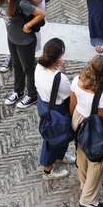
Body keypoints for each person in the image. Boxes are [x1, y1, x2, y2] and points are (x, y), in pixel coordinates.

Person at [0, 0, 45, 108]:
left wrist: (28, 25)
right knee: (16, 66)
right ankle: (18, 91)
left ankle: (32, 94)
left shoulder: (21, 3)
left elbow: (41, 14)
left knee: (28, 69)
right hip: (12, 38)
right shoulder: (3, 0)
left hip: (25, 42)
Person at [70, 55, 103, 207]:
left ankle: (83, 182)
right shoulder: (102, 93)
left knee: (81, 151)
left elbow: (72, 104)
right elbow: (101, 116)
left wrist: (73, 124)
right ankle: (88, 198)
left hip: (77, 119)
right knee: (97, 161)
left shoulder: (77, 80)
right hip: (92, 125)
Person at [34, 38, 74, 179]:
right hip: (56, 108)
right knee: (52, 138)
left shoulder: (39, 66)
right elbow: (68, 93)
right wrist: (62, 70)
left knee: (58, 135)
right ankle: (47, 170)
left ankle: (60, 155)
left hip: (43, 103)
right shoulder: (58, 78)